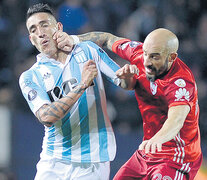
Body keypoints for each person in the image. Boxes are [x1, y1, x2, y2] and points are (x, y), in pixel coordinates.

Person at [19, 3, 138, 180]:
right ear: (31, 39)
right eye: (33, 29)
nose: (40, 32)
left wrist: (128, 76)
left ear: (58, 27)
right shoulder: (30, 76)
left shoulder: (88, 50)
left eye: (44, 24)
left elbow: (124, 83)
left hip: (93, 160)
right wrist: (81, 86)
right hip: (53, 160)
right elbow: (46, 117)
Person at [63, 29, 203, 179]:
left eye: (154, 57)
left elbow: (176, 120)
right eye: (145, 53)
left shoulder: (180, 82)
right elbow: (107, 39)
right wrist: (72, 39)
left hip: (177, 156)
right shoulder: (138, 52)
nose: (146, 62)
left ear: (172, 57)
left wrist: (156, 140)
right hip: (148, 152)